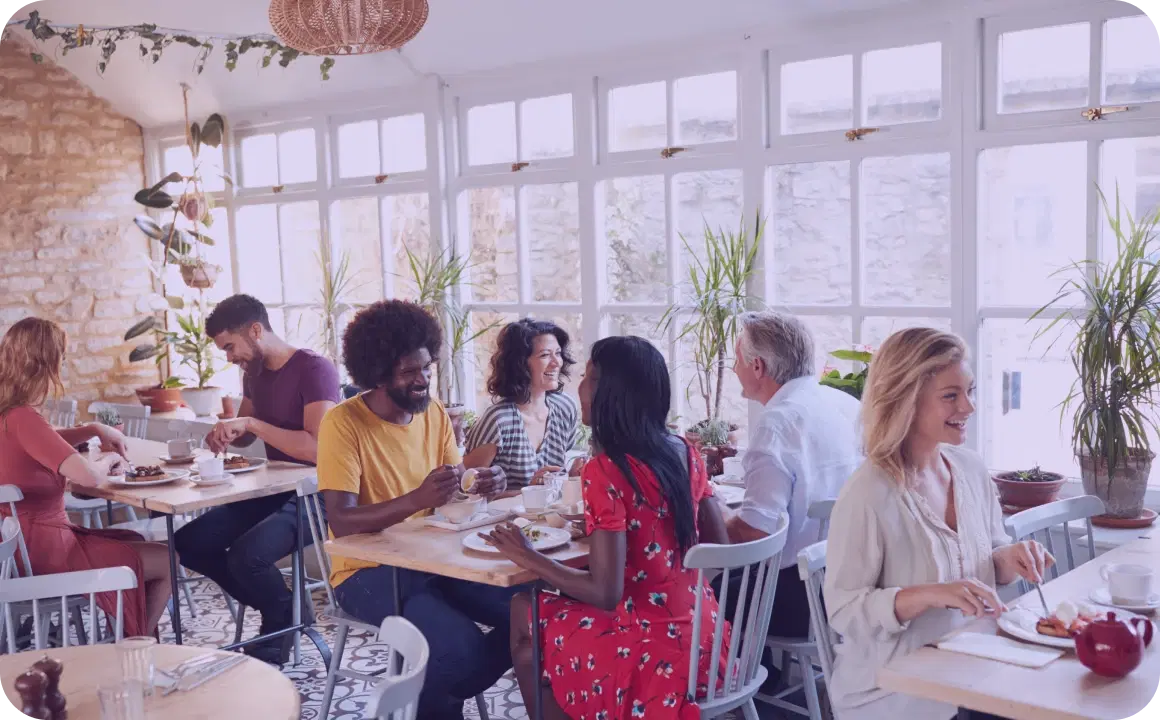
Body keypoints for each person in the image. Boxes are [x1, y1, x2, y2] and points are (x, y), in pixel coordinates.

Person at [485, 335, 731, 720]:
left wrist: (528, 557)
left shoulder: (605, 469)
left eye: (590, 377)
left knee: (524, 608)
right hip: (706, 638)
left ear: (618, 393)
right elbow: (720, 545)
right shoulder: (685, 451)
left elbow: (604, 592)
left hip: (650, 655)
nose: (580, 387)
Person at [824, 328, 1053, 720]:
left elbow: (989, 559)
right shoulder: (868, 493)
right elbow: (844, 610)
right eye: (951, 396)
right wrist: (929, 594)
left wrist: (1009, 557)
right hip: (893, 688)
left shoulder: (970, 469)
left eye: (970, 391)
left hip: (969, 663)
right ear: (906, 402)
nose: (969, 407)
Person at [317, 300, 517, 720]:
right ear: (377, 373)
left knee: (530, 609)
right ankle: (440, 693)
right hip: (365, 571)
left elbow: (454, 489)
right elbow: (341, 521)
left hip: (434, 559)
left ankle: (432, 693)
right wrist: (415, 500)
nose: (422, 380)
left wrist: (485, 483)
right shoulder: (343, 423)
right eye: (409, 372)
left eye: (426, 368)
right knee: (458, 652)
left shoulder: (435, 414)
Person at [173, 294, 340, 664]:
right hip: (273, 489)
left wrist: (249, 424)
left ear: (255, 330)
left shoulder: (315, 369)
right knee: (190, 543)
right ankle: (286, 612)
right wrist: (229, 430)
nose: (229, 357)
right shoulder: (255, 373)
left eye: (230, 347)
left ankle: (278, 622)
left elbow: (317, 449)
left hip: (319, 495)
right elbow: (250, 433)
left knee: (247, 558)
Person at [0, 317, 172, 637]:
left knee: (134, 542)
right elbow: (89, 477)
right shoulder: (24, 417)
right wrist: (109, 459)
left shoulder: (9, 414)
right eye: (61, 358)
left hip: (19, 551)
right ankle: (136, 646)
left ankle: (130, 638)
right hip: (46, 555)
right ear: (46, 363)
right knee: (168, 560)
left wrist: (95, 429)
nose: (63, 366)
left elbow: (47, 438)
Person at [718, 310, 861, 638]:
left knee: (701, 593)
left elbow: (754, 535)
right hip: (848, 582)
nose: (734, 368)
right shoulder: (843, 404)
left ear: (758, 367)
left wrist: (712, 506)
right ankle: (772, 680)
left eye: (736, 359)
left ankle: (743, 681)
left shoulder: (778, 424)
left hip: (805, 597)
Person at [464, 318, 580, 486]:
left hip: (549, 512)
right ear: (520, 364)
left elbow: (555, 482)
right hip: (500, 512)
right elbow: (466, 491)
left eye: (558, 353)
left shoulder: (565, 407)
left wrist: (571, 477)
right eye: (545, 355)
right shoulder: (499, 420)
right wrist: (531, 491)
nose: (556, 363)